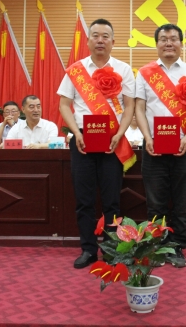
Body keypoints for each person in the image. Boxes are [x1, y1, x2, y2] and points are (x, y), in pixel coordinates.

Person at [57, 18, 135, 269]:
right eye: (95, 35)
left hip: (112, 139)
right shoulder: (76, 70)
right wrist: (75, 133)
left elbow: (130, 106)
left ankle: (111, 250)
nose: (100, 40)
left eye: (105, 36)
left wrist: (120, 133)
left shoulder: (124, 69)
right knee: (84, 199)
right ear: (88, 40)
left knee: (112, 200)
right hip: (82, 139)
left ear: (113, 41)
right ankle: (88, 250)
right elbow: (64, 105)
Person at [135, 23, 186, 268]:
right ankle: (157, 248)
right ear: (157, 43)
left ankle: (177, 247)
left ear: (181, 43)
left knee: (182, 202)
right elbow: (139, 109)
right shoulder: (144, 73)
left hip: (184, 147)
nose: (169, 43)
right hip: (153, 148)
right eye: (164, 39)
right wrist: (147, 137)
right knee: (155, 203)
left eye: (174, 38)